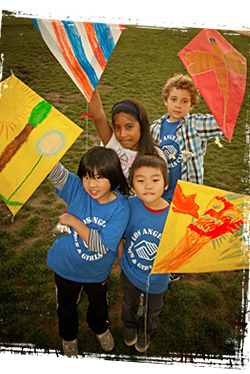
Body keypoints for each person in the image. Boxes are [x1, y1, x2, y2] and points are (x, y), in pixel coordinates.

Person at [46, 147, 130, 357]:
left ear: (113, 177)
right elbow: (51, 170)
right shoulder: (77, 189)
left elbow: (101, 246)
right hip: (65, 266)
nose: (91, 184)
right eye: (86, 177)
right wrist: (41, 150)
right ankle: (68, 337)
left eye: (99, 177)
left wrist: (73, 221)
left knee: (98, 305)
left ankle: (99, 328)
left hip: (96, 271)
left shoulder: (121, 208)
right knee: (65, 307)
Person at [118, 153, 171, 353]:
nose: (148, 186)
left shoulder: (175, 215)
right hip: (130, 272)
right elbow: (117, 234)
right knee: (128, 303)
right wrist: (121, 257)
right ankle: (130, 326)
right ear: (132, 186)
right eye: (140, 181)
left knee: (152, 309)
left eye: (155, 180)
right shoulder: (129, 206)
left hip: (157, 279)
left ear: (166, 184)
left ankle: (147, 331)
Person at [151, 74, 225, 202]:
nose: (178, 105)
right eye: (173, 99)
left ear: (192, 105)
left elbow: (223, 124)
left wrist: (217, 96)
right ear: (165, 100)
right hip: (160, 197)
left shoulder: (195, 124)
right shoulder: (154, 129)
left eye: (184, 101)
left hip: (188, 196)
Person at [88, 89, 166, 182]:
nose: (122, 134)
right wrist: (89, 83)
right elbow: (98, 116)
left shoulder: (156, 154)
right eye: (117, 128)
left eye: (129, 127)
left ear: (142, 125)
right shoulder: (114, 144)